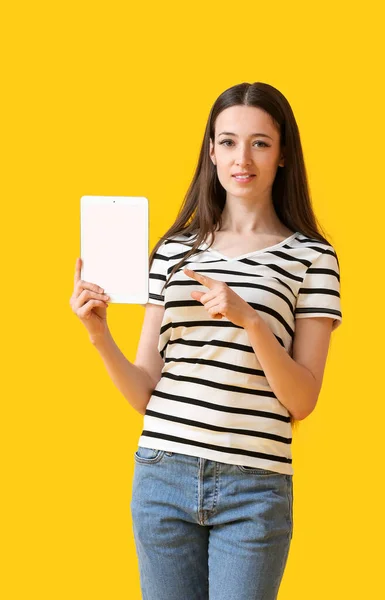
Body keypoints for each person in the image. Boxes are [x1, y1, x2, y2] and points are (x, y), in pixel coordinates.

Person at [70, 81, 342, 600]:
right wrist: (100, 335)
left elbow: (303, 399)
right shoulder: (174, 251)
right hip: (162, 474)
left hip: (254, 485)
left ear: (283, 154)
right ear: (211, 151)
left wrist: (251, 320)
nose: (244, 158)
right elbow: (145, 391)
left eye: (260, 142)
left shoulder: (312, 258)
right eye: (229, 142)